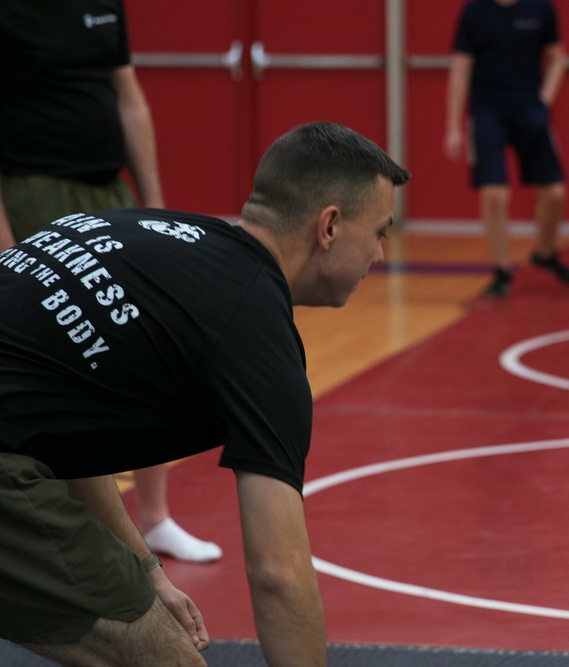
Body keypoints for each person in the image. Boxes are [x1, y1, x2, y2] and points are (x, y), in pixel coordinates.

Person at [0, 121, 411, 666]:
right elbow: (278, 574)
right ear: (329, 226)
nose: (380, 254)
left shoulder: (157, 241)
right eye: (379, 231)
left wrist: (147, 572)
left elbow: (59, 429)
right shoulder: (254, 333)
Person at [0, 0, 221, 563]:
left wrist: (157, 208)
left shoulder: (103, 4)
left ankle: (154, 517)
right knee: (56, 359)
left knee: (144, 338)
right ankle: (56, 533)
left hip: (108, 189)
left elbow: (130, 100)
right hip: (33, 188)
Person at [444, 0, 569, 297]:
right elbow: (460, 67)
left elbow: (558, 57)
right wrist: (453, 126)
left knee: (555, 192)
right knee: (494, 193)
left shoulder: (540, 8)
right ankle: (501, 271)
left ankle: (545, 253)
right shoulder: (474, 11)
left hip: (529, 107)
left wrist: (544, 99)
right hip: (487, 110)